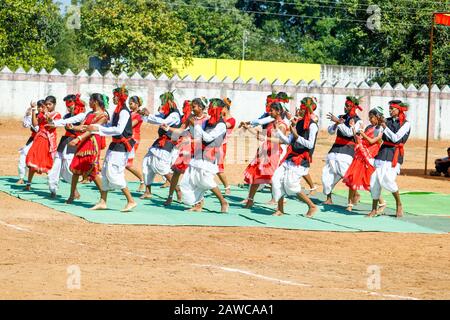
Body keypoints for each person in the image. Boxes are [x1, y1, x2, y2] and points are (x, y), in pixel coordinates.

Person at [87, 86, 137, 212]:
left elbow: (119, 130)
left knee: (115, 173)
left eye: (115, 95)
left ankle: (131, 200)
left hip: (121, 147)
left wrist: (99, 129)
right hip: (114, 145)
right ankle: (103, 202)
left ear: (120, 96)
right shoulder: (117, 110)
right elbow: (112, 126)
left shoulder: (124, 111)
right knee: (105, 172)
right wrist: (97, 125)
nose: (113, 97)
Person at [179, 98, 229, 213]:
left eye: (212, 107)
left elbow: (208, 138)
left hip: (209, 155)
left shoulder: (221, 125)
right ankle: (197, 204)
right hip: (199, 153)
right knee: (190, 179)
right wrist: (192, 127)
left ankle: (223, 201)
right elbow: (197, 134)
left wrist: (195, 125)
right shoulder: (208, 121)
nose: (209, 109)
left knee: (205, 180)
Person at [271, 97, 319, 217]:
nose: (299, 110)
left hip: (301, 159)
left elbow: (310, 144)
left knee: (291, 186)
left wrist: (297, 136)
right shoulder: (298, 123)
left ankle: (312, 206)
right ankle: (280, 209)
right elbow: (288, 141)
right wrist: (279, 132)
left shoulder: (313, 126)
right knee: (276, 179)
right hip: (290, 158)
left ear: (307, 110)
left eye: (302, 108)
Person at [241, 100, 289, 209]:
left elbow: (281, 141)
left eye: (271, 110)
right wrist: (248, 128)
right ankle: (250, 201)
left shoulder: (282, 125)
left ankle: (280, 204)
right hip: (264, 151)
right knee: (256, 176)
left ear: (278, 111)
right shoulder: (272, 123)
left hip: (274, 153)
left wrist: (265, 138)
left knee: (272, 178)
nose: (270, 112)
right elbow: (263, 136)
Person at [161, 98, 209, 206]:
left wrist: (195, 124)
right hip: (188, 147)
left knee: (196, 175)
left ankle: (200, 201)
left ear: (201, 107)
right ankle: (170, 196)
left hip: (199, 148)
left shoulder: (207, 119)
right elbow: (181, 130)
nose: (192, 108)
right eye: (192, 106)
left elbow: (205, 135)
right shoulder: (190, 117)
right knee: (177, 172)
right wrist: (168, 128)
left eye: (194, 106)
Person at [369, 100, 411, 218]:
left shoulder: (406, 124)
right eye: (389, 108)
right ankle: (373, 209)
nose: (390, 110)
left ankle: (399, 204)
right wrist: (378, 125)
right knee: (375, 180)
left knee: (388, 180)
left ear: (399, 110)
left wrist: (384, 126)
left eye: (393, 108)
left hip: (395, 155)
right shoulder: (385, 121)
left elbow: (396, 138)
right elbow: (378, 135)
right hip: (382, 153)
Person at [66, 93, 109, 203]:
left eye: (90, 100)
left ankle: (103, 198)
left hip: (92, 143)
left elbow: (92, 130)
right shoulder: (90, 113)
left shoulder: (103, 116)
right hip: (84, 142)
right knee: (76, 169)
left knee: (92, 170)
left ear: (95, 101)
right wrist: (73, 127)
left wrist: (78, 138)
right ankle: (72, 195)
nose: (88, 103)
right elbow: (84, 126)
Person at [342, 107, 386, 212]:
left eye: (372, 117)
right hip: (360, 155)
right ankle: (349, 204)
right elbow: (358, 139)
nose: (370, 119)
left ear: (378, 117)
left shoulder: (381, 129)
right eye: (369, 117)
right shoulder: (369, 127)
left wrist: (362, 133)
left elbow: (371, 141)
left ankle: (382, 203)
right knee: (353, 178)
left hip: (370, 157)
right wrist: (353, 128)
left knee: (369, 181)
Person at [139, 91, 181, 199]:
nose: (162, 105)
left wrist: (150, 115)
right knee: (147, 162)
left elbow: (163, 122)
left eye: (163, 102)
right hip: (158, 142)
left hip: (167, 143)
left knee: (161, 168)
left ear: (170, 102)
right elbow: (154, 119)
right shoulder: (166, 113)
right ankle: (148, 191)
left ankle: (177, 189)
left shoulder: (174, 114)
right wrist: (143, 114)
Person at [322, 96, 363, 206]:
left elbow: (350, 133)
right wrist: (336, 123)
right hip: (335, 149)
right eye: (346, 105)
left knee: (345, 174)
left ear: (354, 107)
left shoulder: (358, 121)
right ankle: (329, 198)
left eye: (349, 106)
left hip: (347, 151)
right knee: (327, 174)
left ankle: (355, 193)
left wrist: (339, 122)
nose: (346, 107)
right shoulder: (340, 117)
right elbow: (330, 131)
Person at [47, 94, 85, 198]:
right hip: (64, 141)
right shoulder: (67, 115)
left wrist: (54, 122)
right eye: (67, 104)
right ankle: (53, 189)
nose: (69, 106)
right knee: (56, 166)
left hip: (73, 142)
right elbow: (63, 122)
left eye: (70, 103)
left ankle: (75, 189)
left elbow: (72, 124)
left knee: (67, 168)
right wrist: (52, 122)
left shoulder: (82, 115)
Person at [25, 96, 62, 191]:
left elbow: (51, 125)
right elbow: (35, 124)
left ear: (54, 104)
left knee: (48, 162)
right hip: (38, 139)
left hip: (48, 141)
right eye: (47, 104)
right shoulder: (41, 114)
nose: (48, 106)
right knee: (33, 160)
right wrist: (33, 110)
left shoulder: (57, 115)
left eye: (50, 104)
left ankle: (52, 187)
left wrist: (46, 113)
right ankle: (28, 184)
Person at [17, 100, 44, 184]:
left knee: (45, 160)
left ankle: (54, 178)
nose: (39, 108)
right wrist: (27, 115)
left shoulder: (47, 117)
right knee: (24, 154)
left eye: (42, 107)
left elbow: (37, 128)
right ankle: (21, 177)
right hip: (33, 139)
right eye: (38, 107)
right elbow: (25, 125)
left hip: (43, 141)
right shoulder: (34, 115)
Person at [126, 96, 146, 192]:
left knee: (128, 164)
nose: (129, 105)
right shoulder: (129, 113)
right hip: (126, 139)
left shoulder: (138, 115)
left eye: (131, 103)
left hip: (133, 140)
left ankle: (143, 181)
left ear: (137, 104)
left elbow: (130, 125)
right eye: (129, 103)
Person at [217, 97, 236, 195]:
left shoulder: (232, 120)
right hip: (213, 144)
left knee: (219, 169)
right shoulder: (220, 118)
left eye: (221, 108)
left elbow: (223, 126)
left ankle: (227, 187)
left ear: (225, 108)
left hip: (221, 146)